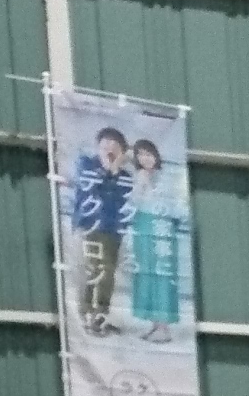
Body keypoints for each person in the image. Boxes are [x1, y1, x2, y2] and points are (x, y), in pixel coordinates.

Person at [68, 124, 131, 333]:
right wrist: (107, 170)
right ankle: (87, 316)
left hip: (113, 229)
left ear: (122, 150)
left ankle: (101, 316)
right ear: (98, 146)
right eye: (106, 143)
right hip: (90, 226)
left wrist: (115, 172)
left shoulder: (125, 176)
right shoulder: (86, 163)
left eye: (115, 145)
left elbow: (125, 201)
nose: (110, 148)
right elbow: (88, 187)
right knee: (92, 269)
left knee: (108, 273)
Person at [124, 135, 186, 340]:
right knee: (146, 272)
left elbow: (173, 203)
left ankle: (164, 326)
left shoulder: (166, 176)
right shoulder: (139, 175)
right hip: (143, 224)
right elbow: (133, 201)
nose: (145, 158)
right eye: (140, 155)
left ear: (156, 155)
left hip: (162, 226)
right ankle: (154, 323)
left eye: (148, 154)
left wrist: (148, 185)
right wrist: (140, 183)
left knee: (162, 274)